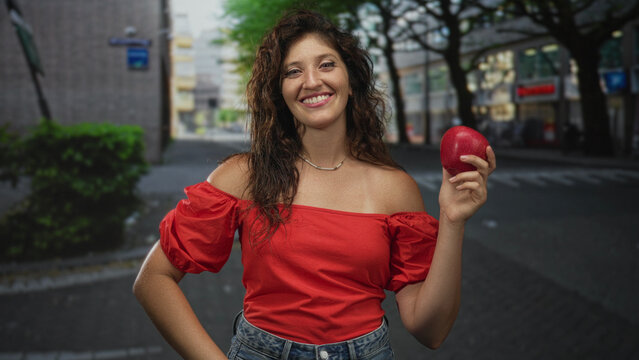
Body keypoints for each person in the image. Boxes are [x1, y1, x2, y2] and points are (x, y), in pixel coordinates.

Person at [133, 9, 496, 360]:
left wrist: (451, 220)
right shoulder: (243, 176)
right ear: (280, 92)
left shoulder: (395, 189)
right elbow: (153, 279)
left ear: (350, 82)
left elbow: (429, 331)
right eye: (293, 71)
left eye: (326, 64)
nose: (312, 81)